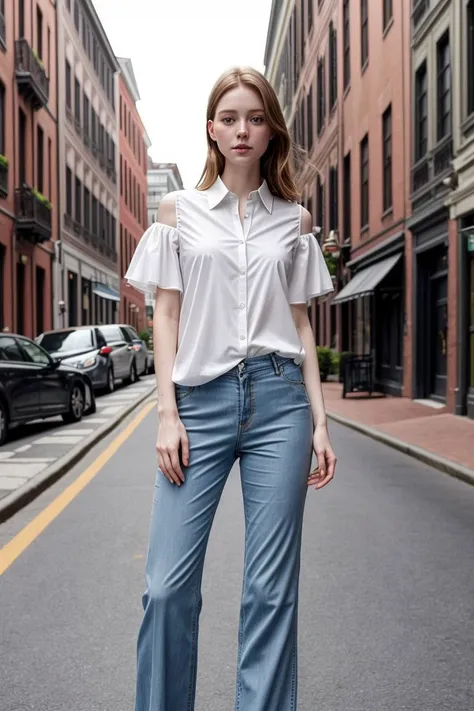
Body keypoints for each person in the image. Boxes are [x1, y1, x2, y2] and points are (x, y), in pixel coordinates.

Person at [125, 65, 337, 711]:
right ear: (211, 131)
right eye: (229, 117)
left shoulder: (295, 222)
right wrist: (167, 414)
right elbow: (165, 313)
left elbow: (300, 322)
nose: (242, 129)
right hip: (200, 402)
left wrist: (321, 421)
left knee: (272, 591)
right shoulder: (177, 212)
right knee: (166, 586)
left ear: (272, 131)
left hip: (280, 404)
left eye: (254, 117)